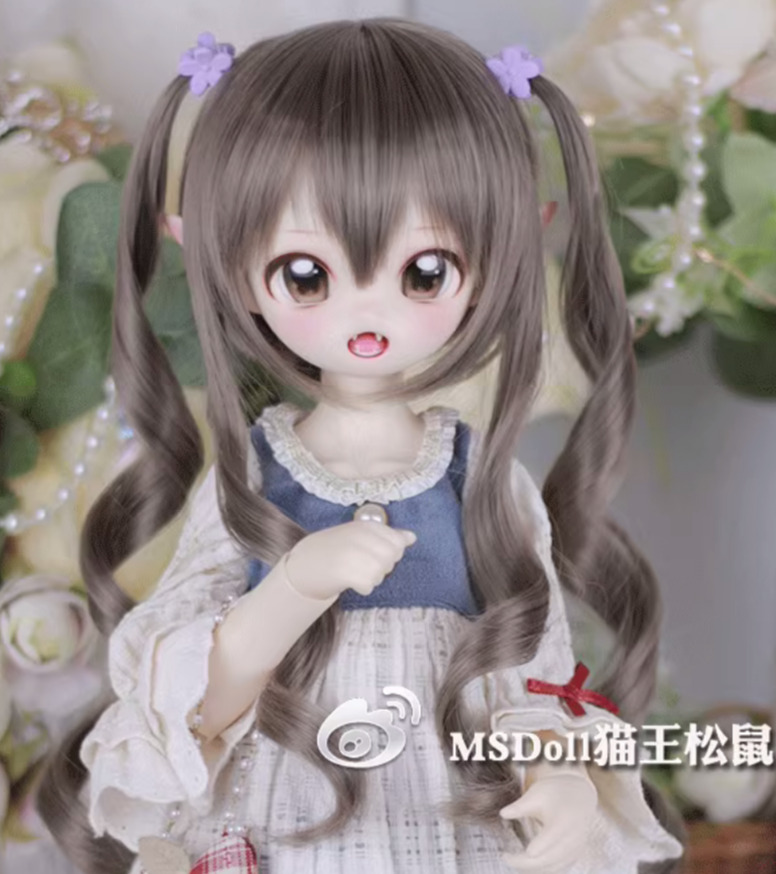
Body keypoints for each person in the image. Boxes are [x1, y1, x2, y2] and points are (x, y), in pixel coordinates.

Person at [38, 18, 684, 873]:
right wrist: (296, 585)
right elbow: (193, 702)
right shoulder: (255, 482)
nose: (367, 314)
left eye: (424, 272)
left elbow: (536, 675)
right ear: (220, 256)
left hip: (454, 821)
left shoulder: (481, 481)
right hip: (288, 817)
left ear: (509, 250)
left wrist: (560, 776)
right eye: (307, 275)